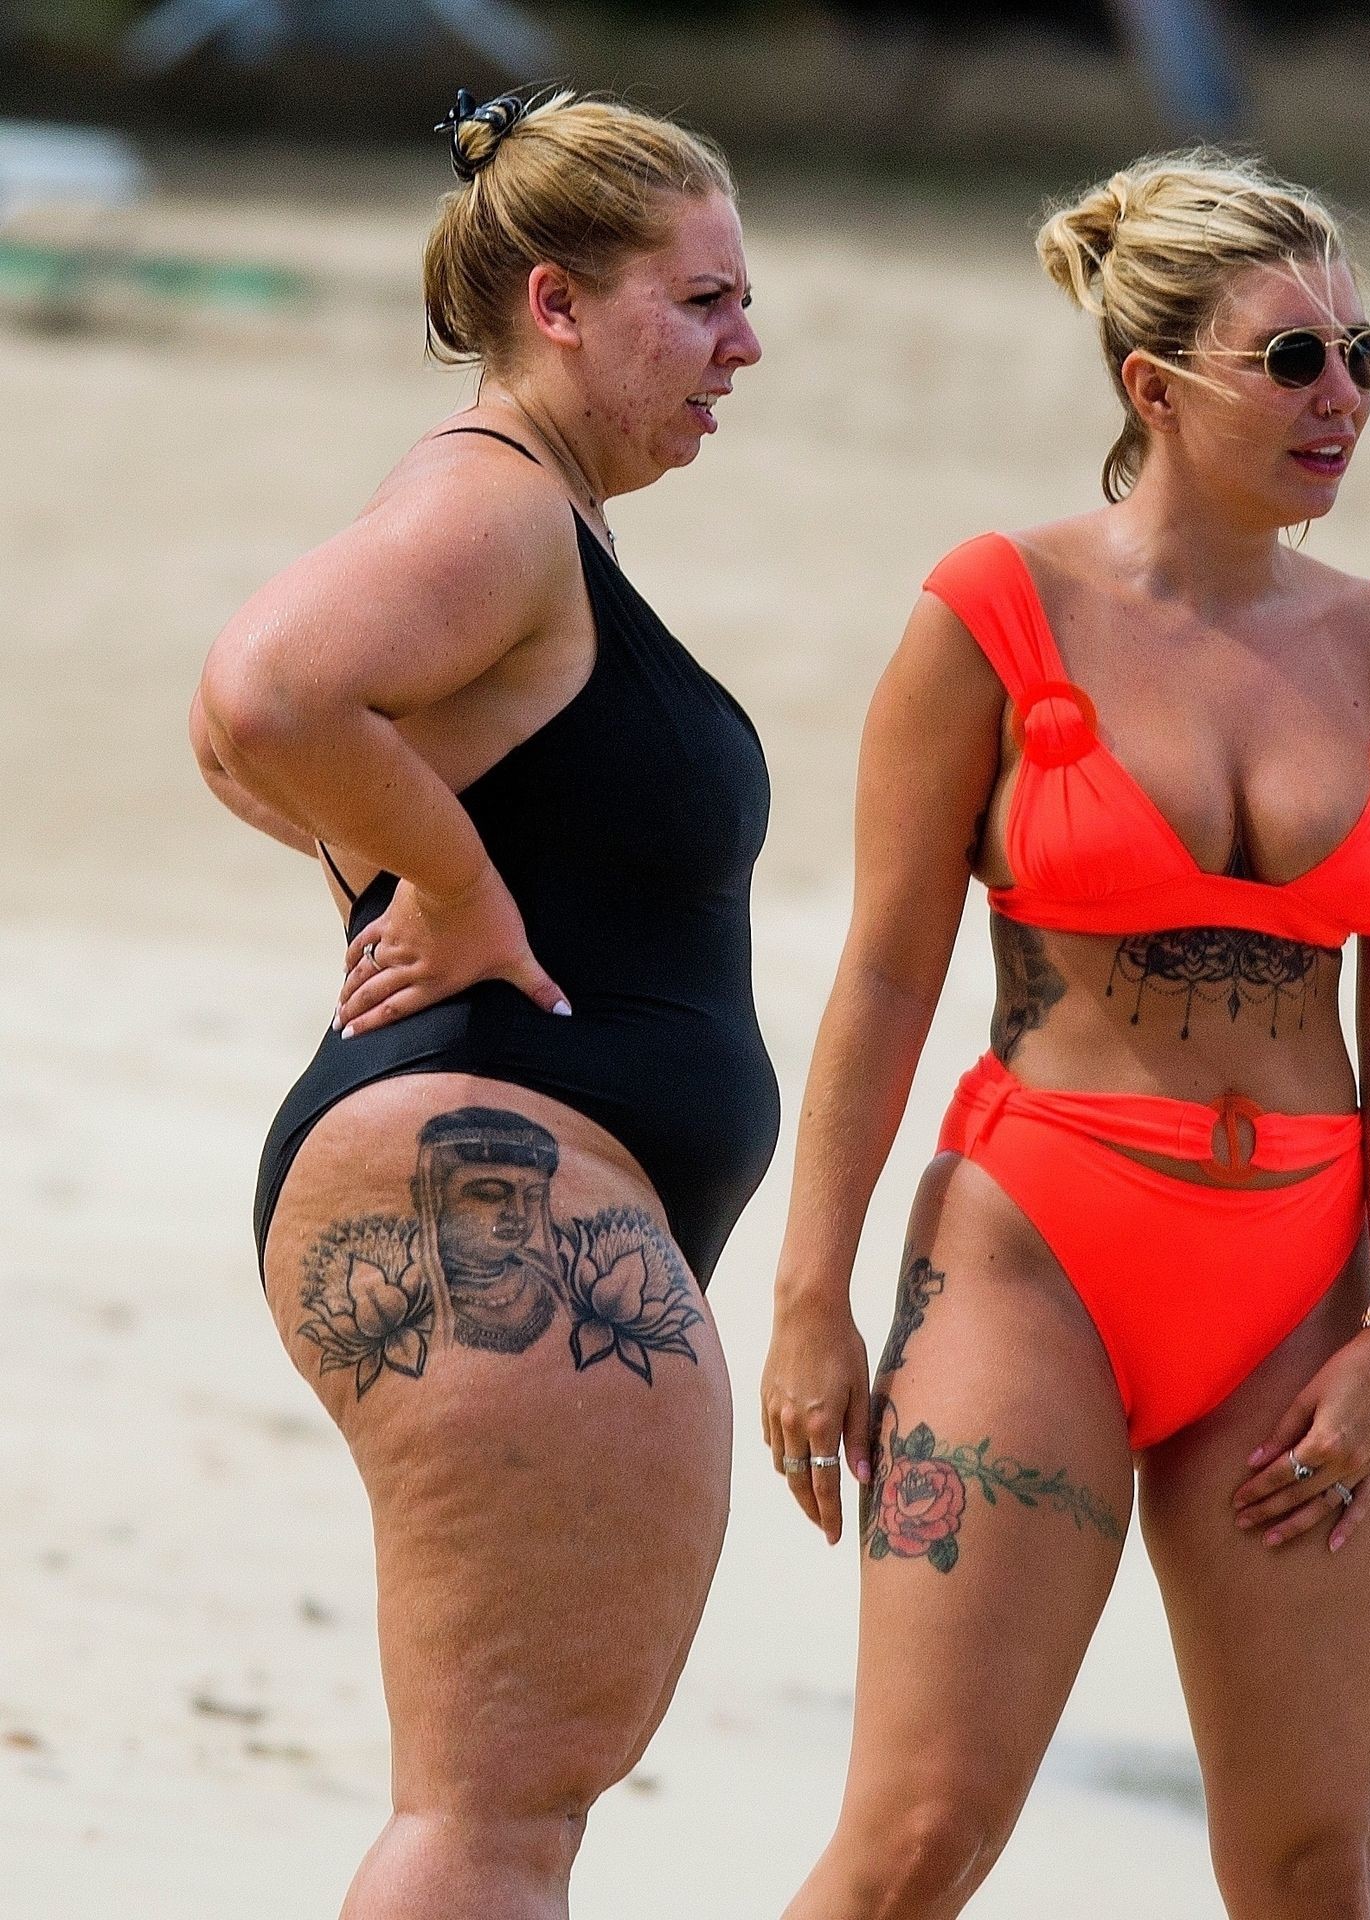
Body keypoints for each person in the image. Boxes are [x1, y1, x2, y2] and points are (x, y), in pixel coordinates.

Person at [761, 149, 1370, 1919]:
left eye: (1364, 358)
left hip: (1303, 1282)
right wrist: (806, 1296)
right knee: (917, 1842)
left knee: (1312, 1871)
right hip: (1036, 1254)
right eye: (1291, 359)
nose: (1340, 398)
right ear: (1151, 386)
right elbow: (884, 975)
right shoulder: (994, 612)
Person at [189, 87, 774, 1919]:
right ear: (556, 303)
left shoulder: (517, 515)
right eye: (701, 302)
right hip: (488, 1173)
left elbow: (245, 746)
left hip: (496, 1162)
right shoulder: (494, 503)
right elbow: (264, 694)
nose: (743, 347)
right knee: (494, 1817)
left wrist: (408, 848)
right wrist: (448, 888)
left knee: (505, 1809)